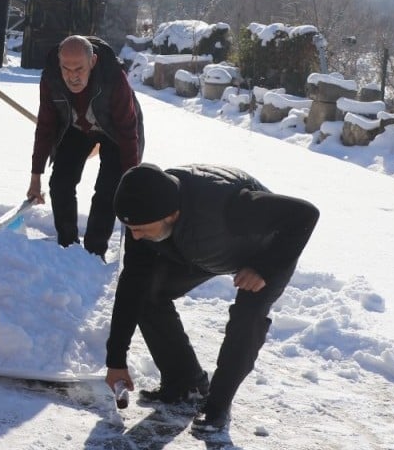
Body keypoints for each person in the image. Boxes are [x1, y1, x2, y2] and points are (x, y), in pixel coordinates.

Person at [104, 163, 319, 434]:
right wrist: (115, 361)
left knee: (247, 317)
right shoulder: (146, 211)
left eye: (141, 229)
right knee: (147, 293)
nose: (134, 236)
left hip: (267, 247)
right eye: (129, 228)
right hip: (199, 248)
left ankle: (217, 406)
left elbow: (304, 214)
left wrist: (264, 267)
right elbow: (132, 284)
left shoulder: (230, 207)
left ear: (172, 215)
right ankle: (185, 383)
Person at [27, 35, 143, 257]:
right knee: (60, 183)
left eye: (78, 69)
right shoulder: (51, 78)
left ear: (93, 62)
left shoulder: (114, 80)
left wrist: (132, 181)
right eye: (66, 69)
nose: (72, 77)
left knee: (109, 188)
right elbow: (46, 126)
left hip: (116, 131)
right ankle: (67, 246)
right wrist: (35, 176)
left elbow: (129, 133)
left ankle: (94, 251)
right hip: (76, 127)